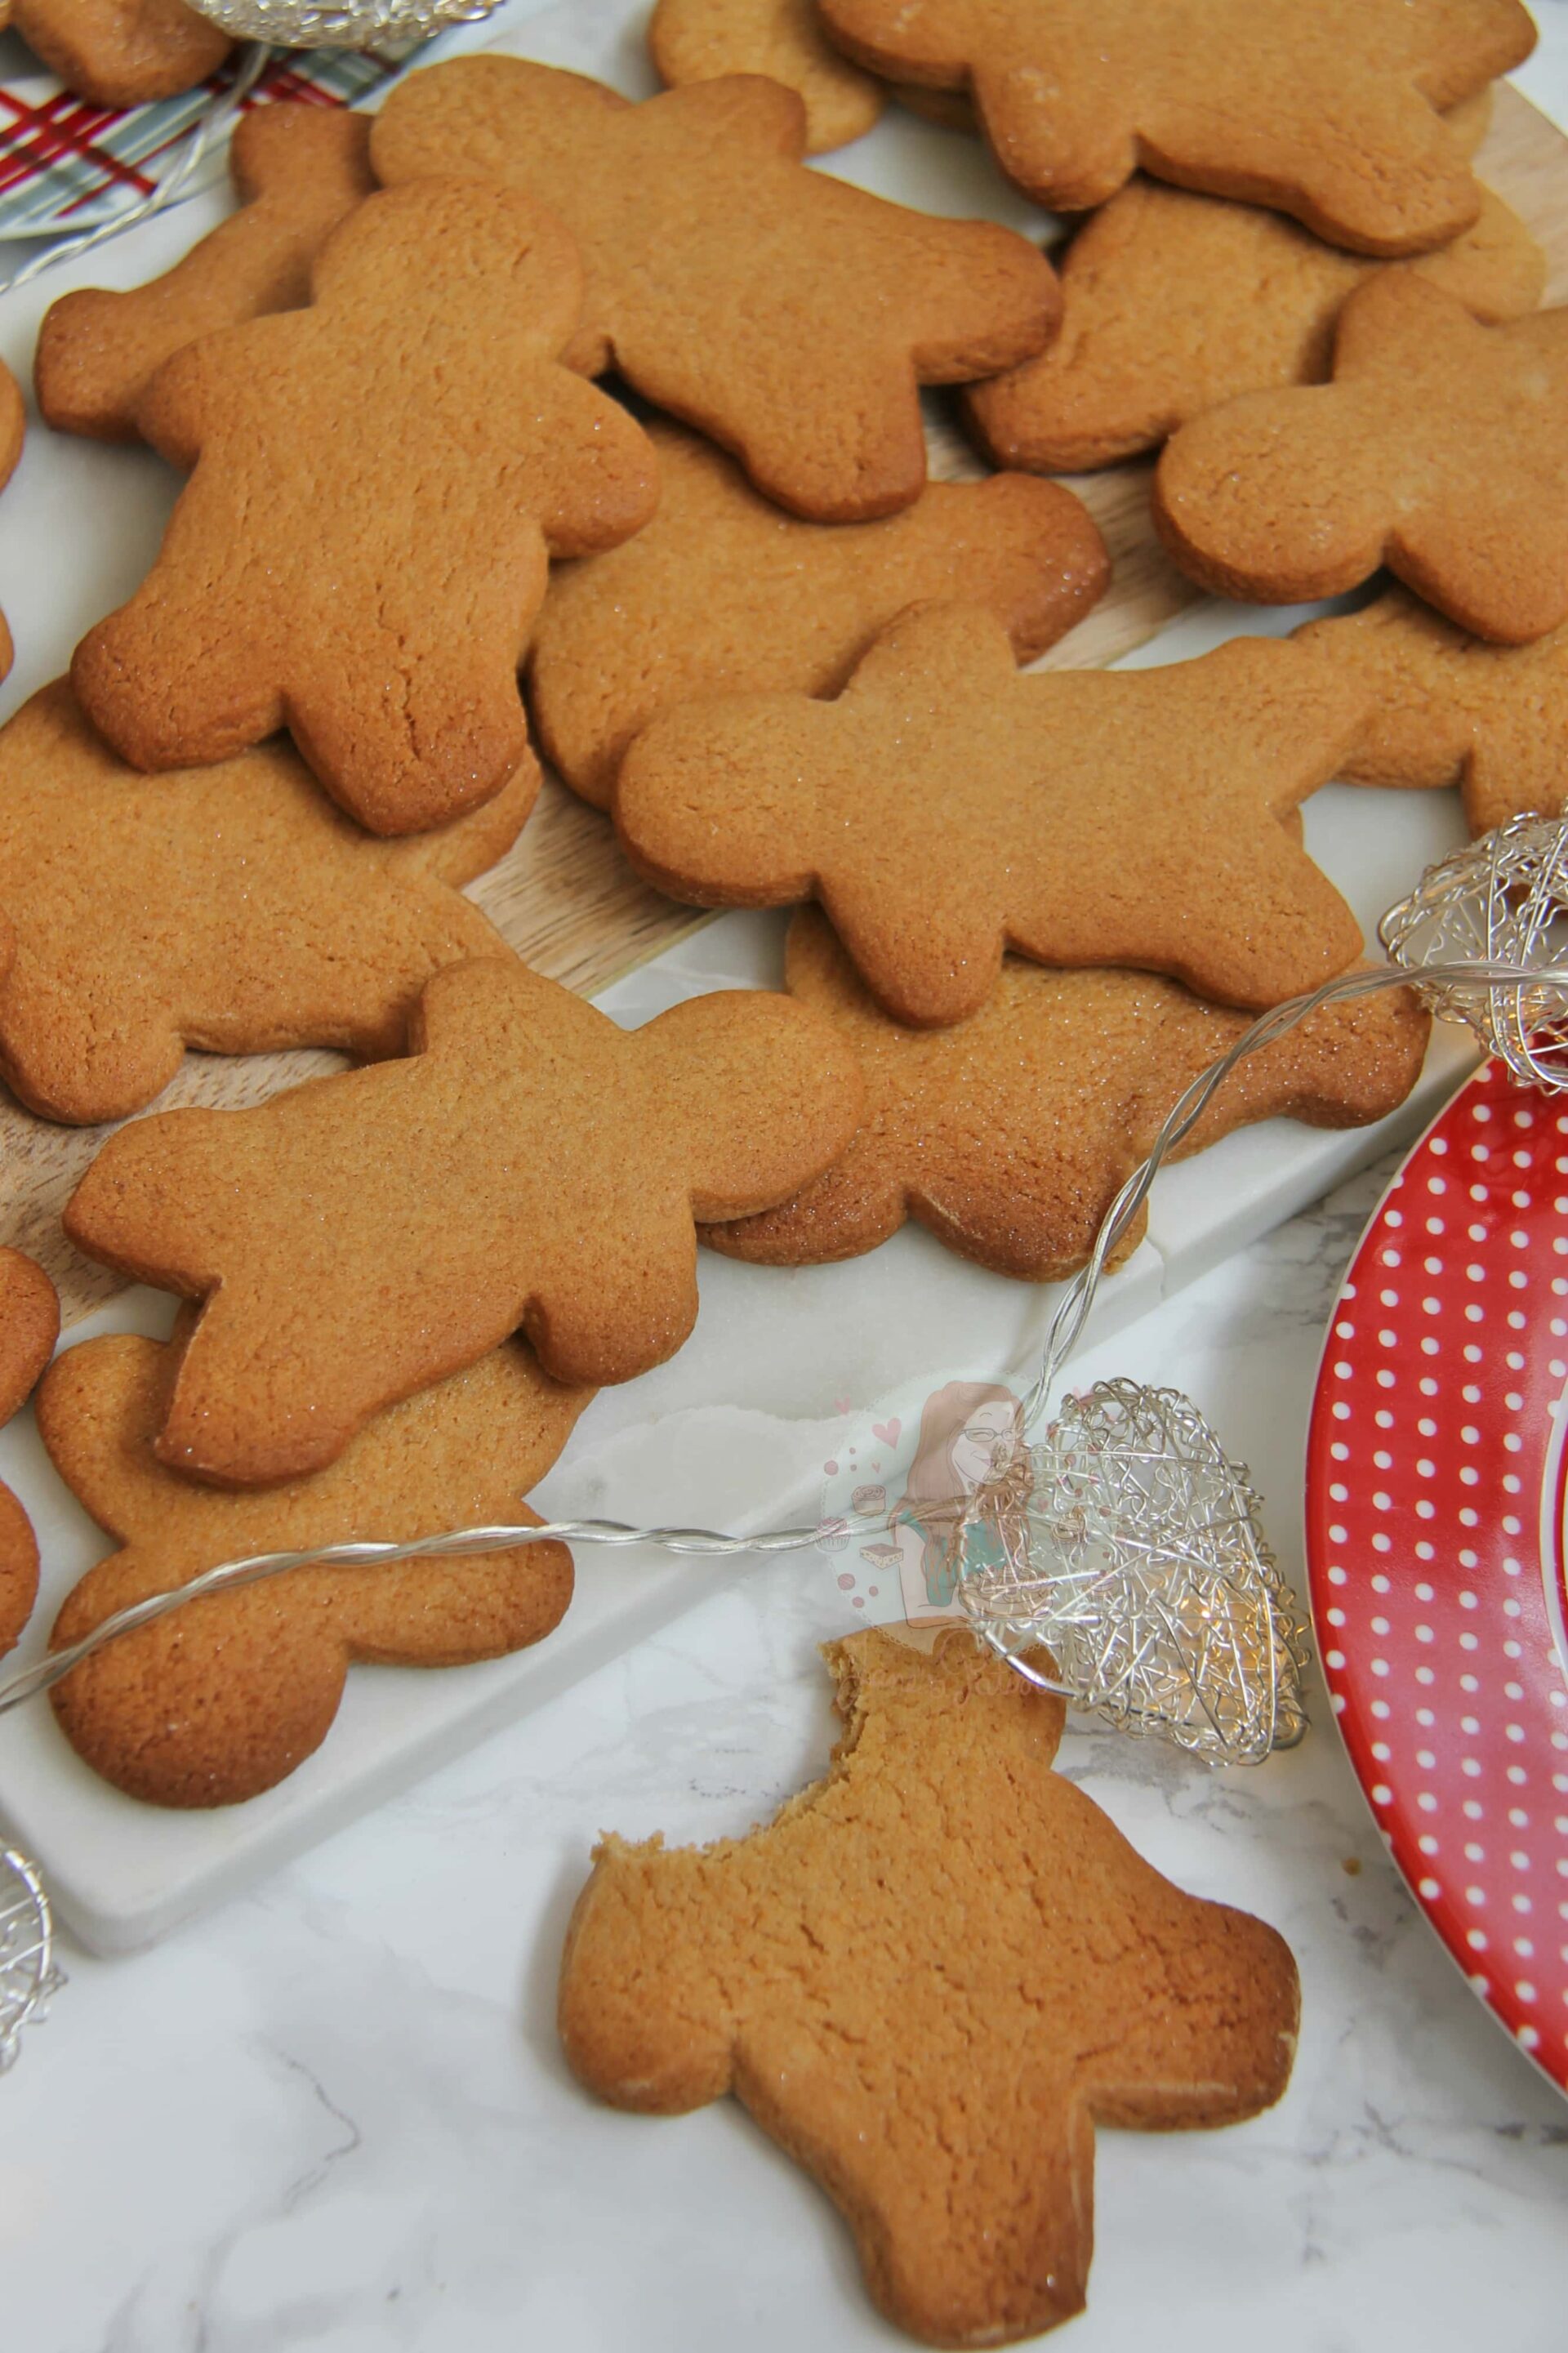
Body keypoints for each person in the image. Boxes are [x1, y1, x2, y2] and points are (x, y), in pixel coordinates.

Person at [885, 1380, 1022, 1627]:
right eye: (982, 1434)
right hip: (952, 1649)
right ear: (949, 1440)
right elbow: (918, 1615)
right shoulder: (914, 1524)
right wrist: (987, 1608)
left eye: (1008, 1434)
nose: (998, 1449)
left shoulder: (1004, 1510)